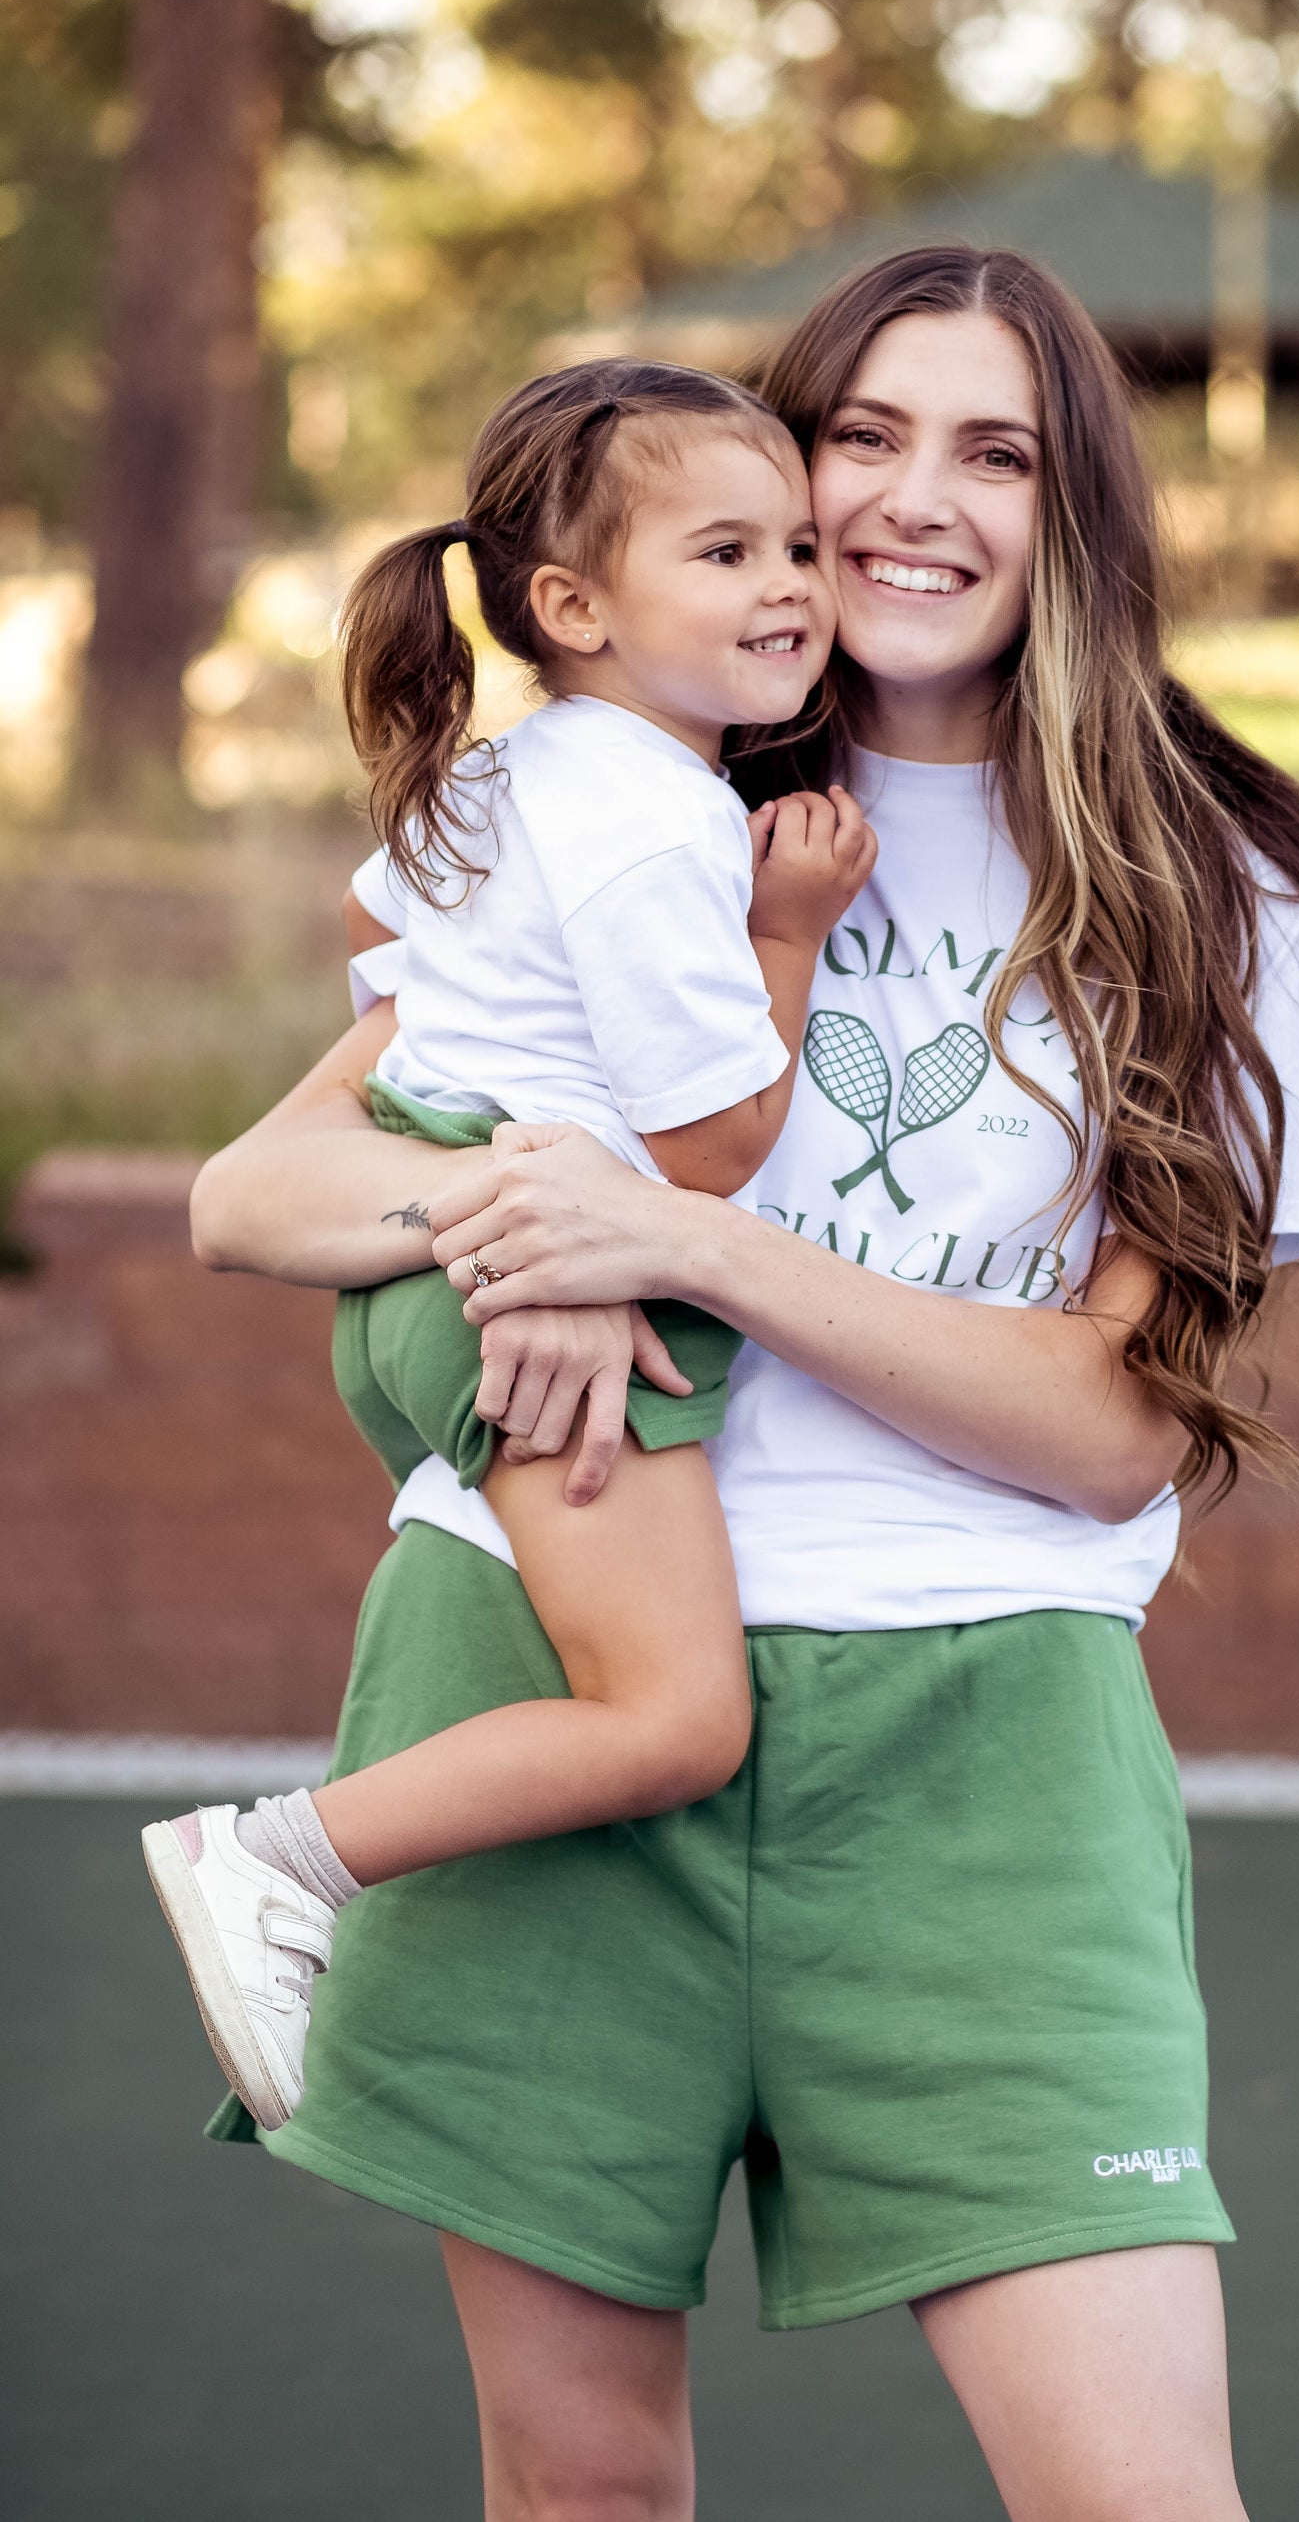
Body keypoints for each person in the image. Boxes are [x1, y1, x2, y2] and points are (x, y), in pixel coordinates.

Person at [189, 245, 1299, 2522]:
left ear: (1079, 509)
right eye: (859, 438)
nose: (908, 503)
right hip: (543, 1670)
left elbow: (1101, 1430)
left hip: (984, 1755)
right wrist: (530, 1214)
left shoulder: (1213, 881)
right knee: (583, 2488)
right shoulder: (619, 802)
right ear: (763, 476)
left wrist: (672, 1238)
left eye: (995, 449)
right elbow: (256, 1195)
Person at [143, 357, 875, 2131]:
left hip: (420, 1258)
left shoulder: (517, 771)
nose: (788, 585)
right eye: (723, 553)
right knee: (677, 1720)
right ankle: (283, 1858)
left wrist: (493, 1047)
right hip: (543, 1297)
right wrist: (786, 934)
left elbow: (374, 916)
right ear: (573, 606)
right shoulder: (654, 823)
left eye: (796, 544)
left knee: (624, 1684)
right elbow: (710, 1146)